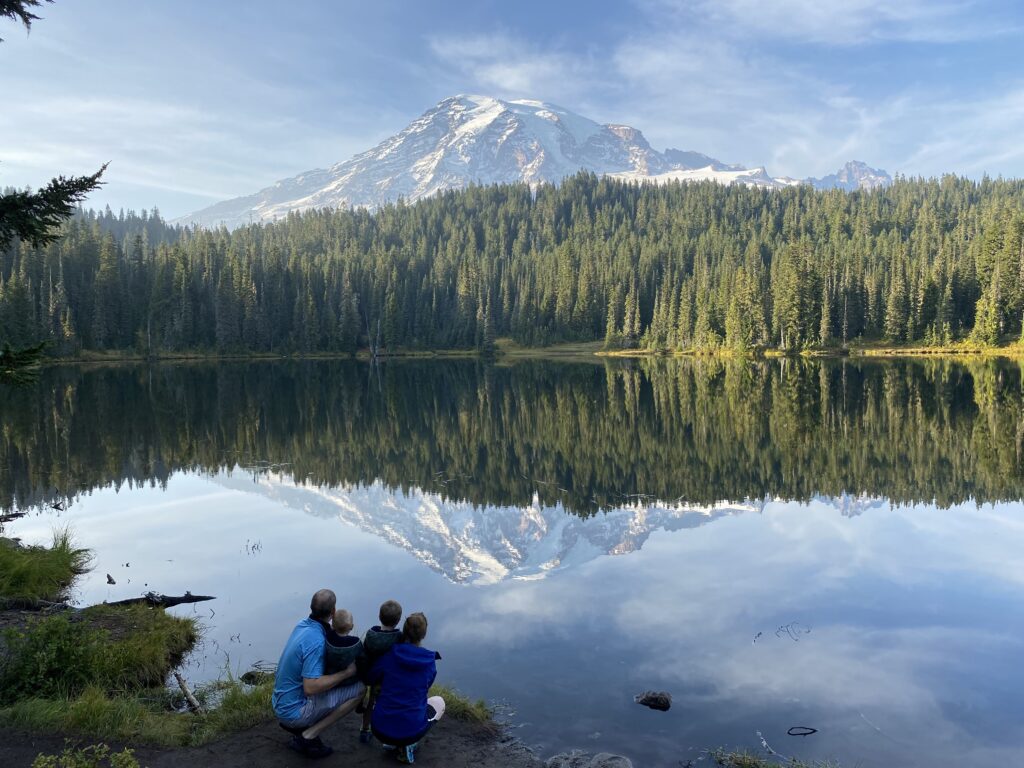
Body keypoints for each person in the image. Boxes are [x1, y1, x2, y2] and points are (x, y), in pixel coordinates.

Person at [272, 589, 366, 758]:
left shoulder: (302, 625)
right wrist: (347, 673)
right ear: (333, 611)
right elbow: (310, 688)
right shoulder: (317, 641)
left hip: (281, 702)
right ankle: (308, 735)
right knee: (359, 690)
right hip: (294, 711)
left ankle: (302, 728)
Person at [366, 612, 445, 764]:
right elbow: (426, 686)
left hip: (379, 729)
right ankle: (408, 745)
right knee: (439, 701)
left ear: (404, 630)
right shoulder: (429, 662)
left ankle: (392, 743)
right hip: (411, 731)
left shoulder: (389, 655)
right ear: (424, 634)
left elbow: (371, 677)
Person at [357, 599, 403, 743]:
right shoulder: (399, 638)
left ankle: (365, 730)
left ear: (379, 616)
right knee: (392, 704)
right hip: (390, 679)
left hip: (372, 676)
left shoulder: (370, 635)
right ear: (398, 620)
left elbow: (363, 654)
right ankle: (390, 734)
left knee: (371, 702)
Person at [324, 608, 363, 675]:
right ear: (352, 627)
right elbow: (362, 661)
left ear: (332, 625)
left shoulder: (328, 637)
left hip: (331, 678)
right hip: (351, 680)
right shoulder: (356, 642)